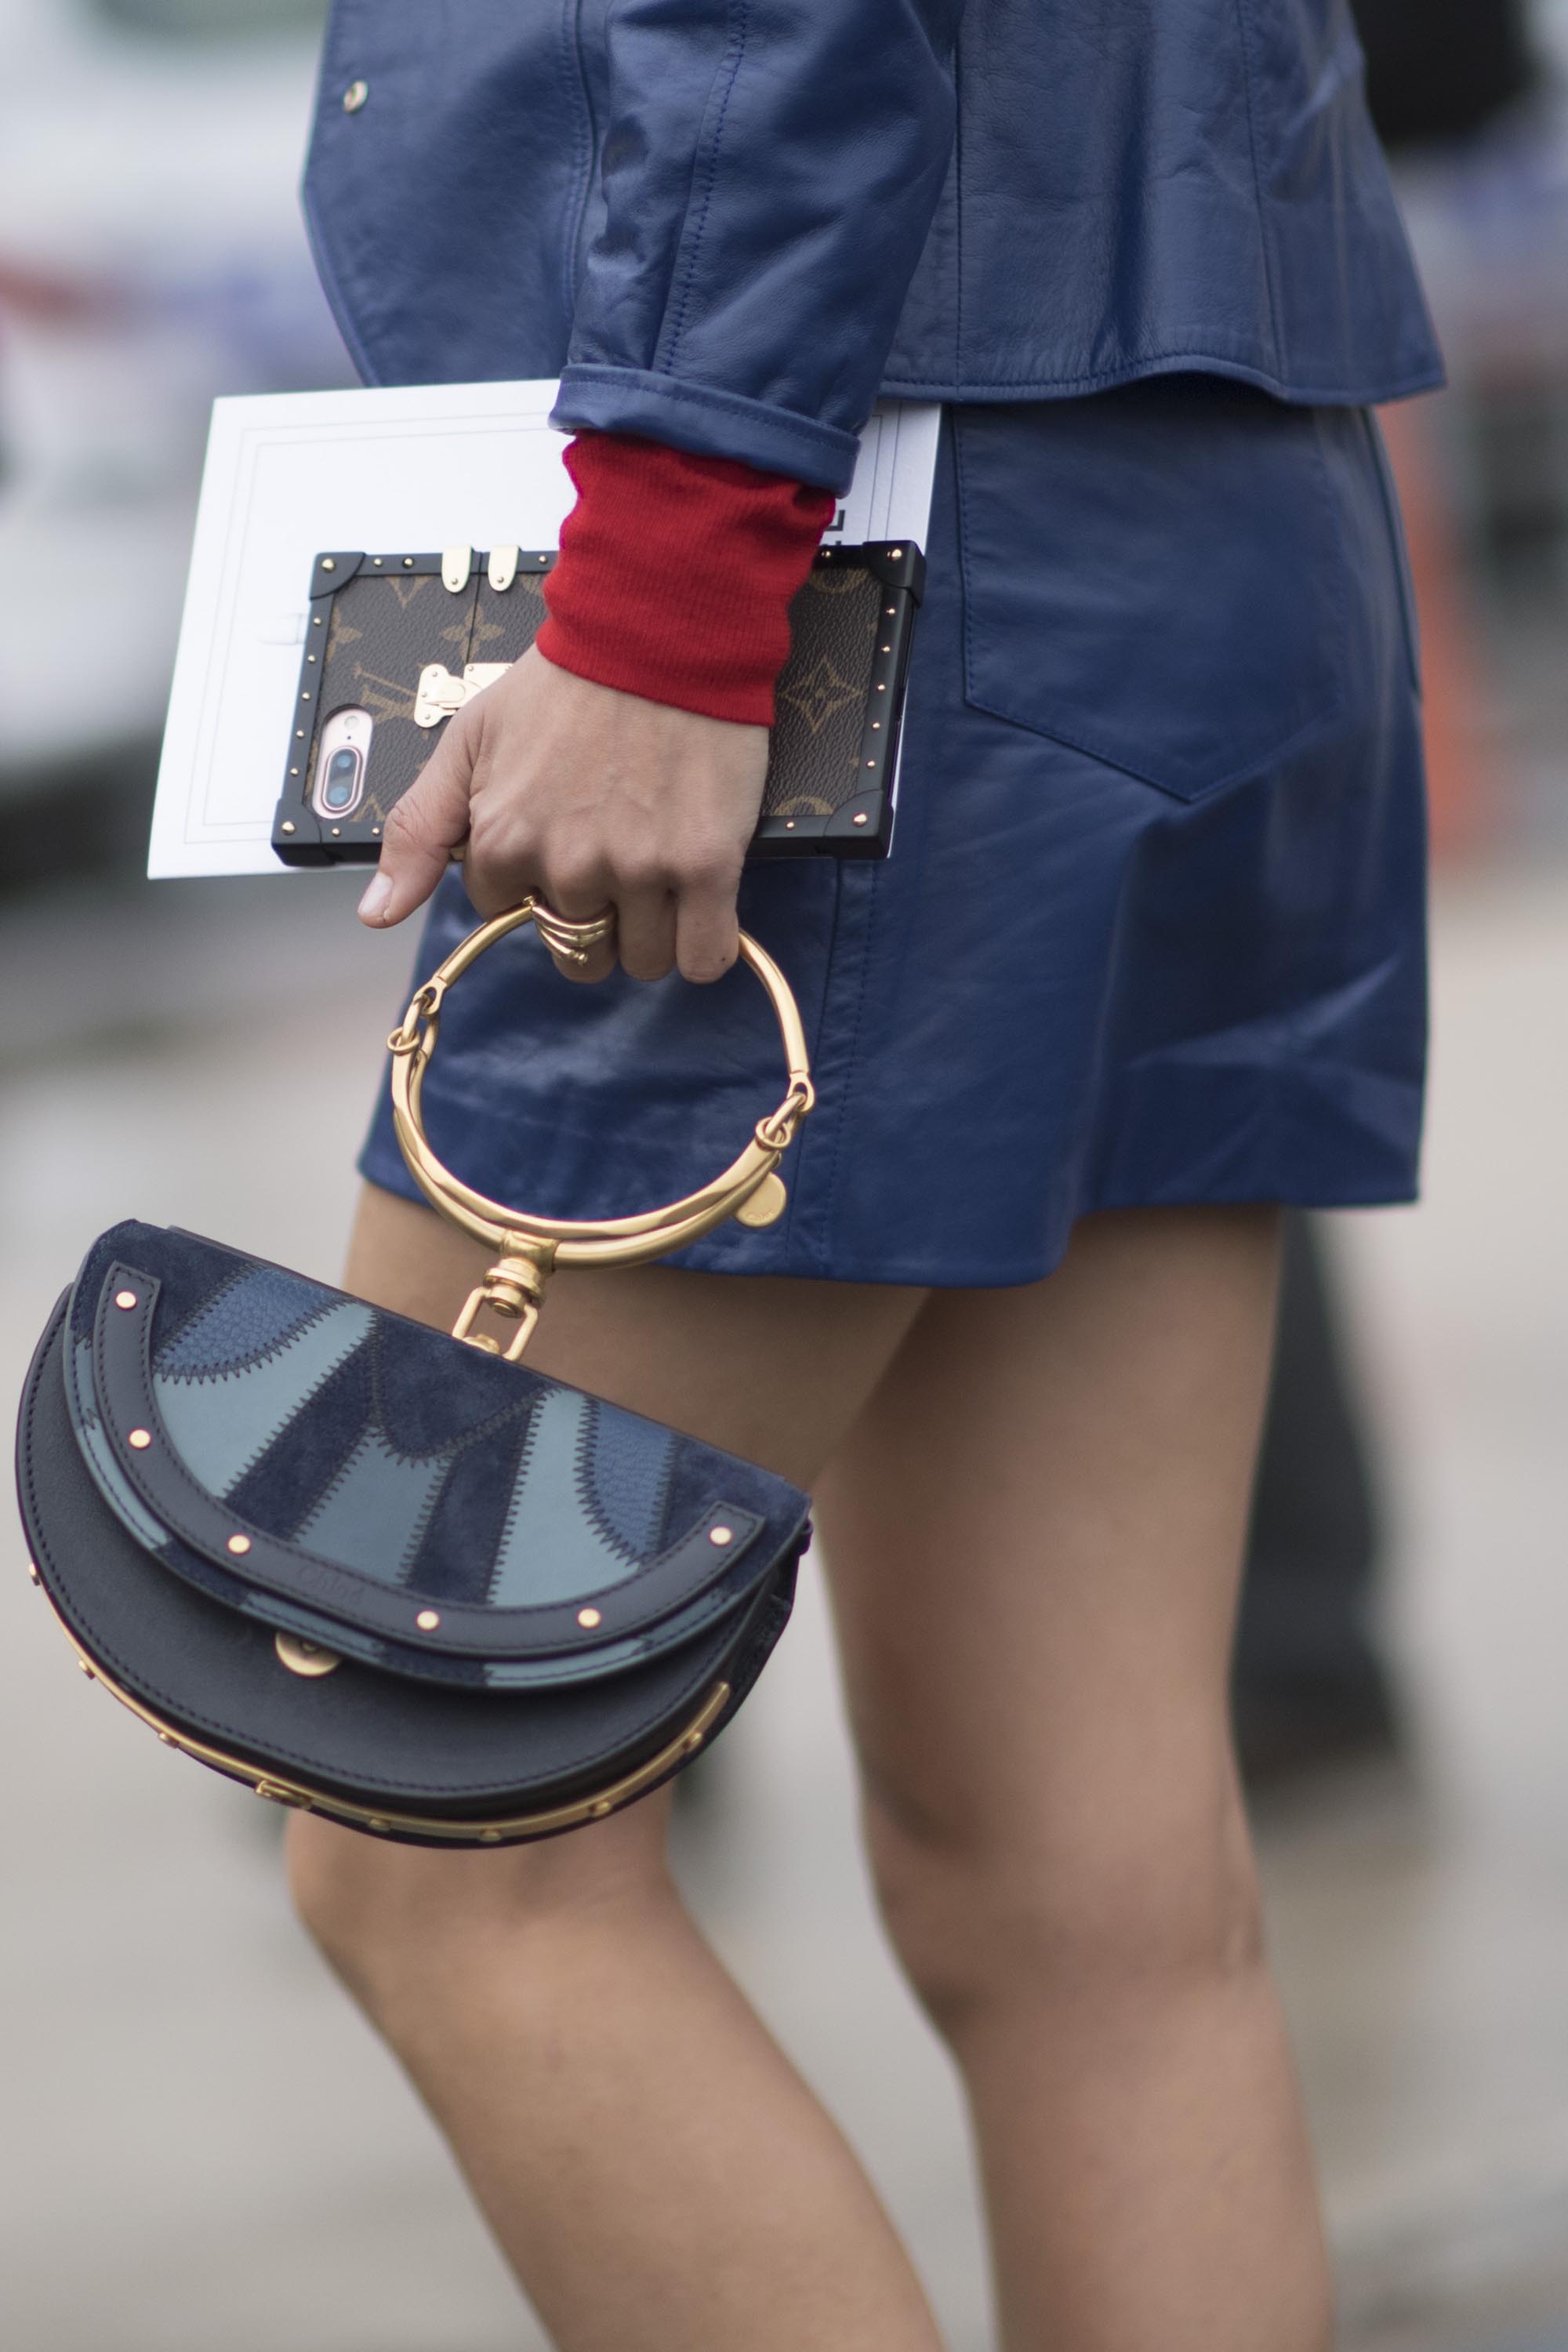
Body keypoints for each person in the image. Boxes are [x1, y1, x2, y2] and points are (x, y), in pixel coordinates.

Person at [284, 4, 1440, 2345]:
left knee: (435, 1845)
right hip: (1200, 484)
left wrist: (669, 590)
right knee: (1088, 1893)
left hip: (838, 577)